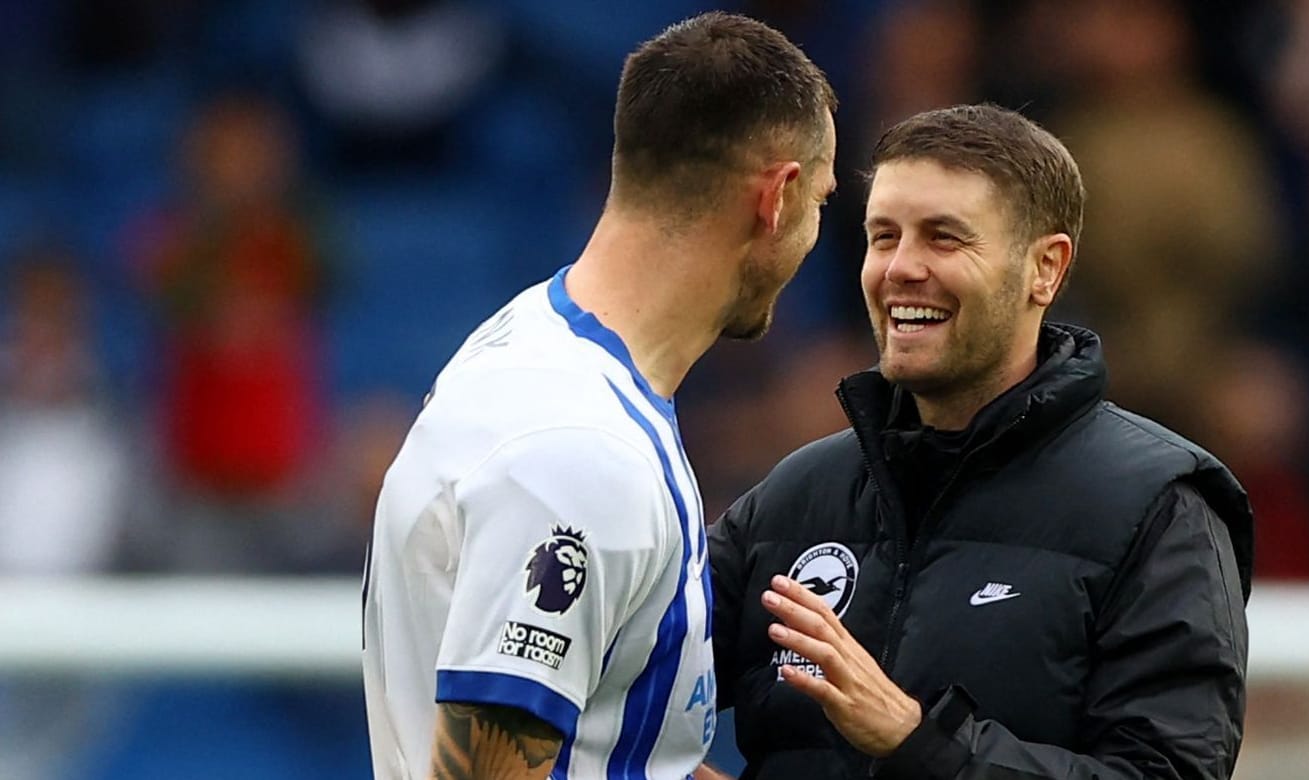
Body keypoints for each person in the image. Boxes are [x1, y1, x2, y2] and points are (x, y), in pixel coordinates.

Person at [708, 104, 1253, 779]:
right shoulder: (795, 497)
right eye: (883, 237)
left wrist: (920, 741)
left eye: (943, 238)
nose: (900, 268)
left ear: (1045, 269)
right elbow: (618, 676)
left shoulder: (1157, 509)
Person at [362, 12, 837, 780]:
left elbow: (612, 756)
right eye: (821, 200)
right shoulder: (579, 449)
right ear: (776, 198)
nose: (816, 232)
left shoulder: (535, 341)